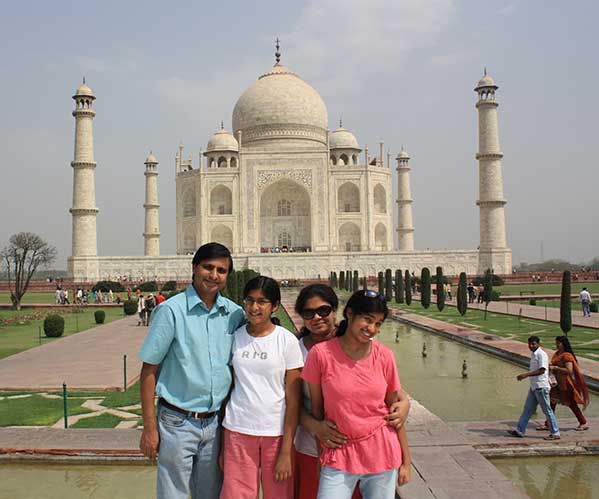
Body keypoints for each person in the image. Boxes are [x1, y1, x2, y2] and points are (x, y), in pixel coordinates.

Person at [138, 242, 244, 499]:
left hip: (216, 422)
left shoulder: (234, 313)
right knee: (173, 493)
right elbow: (149, 371)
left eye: (221, 270)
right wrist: (150, 428)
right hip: (177, 421)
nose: (214, 275)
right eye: (208, 267)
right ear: (195, 268)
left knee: (210, 493)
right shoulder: (171, 311)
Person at [293, 284, 410, 499]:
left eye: (378, 323)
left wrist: (406, 462)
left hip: (380, 451)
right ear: (350, 314)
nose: (372, 328)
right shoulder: (313, 353)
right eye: (309, 313)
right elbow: (311, 411)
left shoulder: (383, 355)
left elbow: (392, 408)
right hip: (334, 450)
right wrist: (321, 450)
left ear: (337, 311)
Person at [220, 276, 303, 499]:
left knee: (278, 494)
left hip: (274, 433)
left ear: (274, 306)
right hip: (238, 429)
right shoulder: (235, 338)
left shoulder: (286, 341)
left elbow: (293, 400)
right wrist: (221, 444)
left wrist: (286, 450)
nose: (254, 307)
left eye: (262, 301)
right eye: (249, 300)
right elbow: (227, 388)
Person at [508, 336, 560, 440]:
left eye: (533, 344)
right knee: (527, 409)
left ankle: (555, 433)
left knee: (547, 410)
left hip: (541, 387)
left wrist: (525, 375)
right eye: (530, 344)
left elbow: (542, 370)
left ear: (538, 344)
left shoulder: (541, 354)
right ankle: (520, 430)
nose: (531, 346)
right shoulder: (534, 354)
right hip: (534, 387)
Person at [537, 336, 590, 431]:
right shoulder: (557, 353)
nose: (557, 345)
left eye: (559, 343)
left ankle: (583, 422)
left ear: (564, 344)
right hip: (556, 383)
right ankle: (548, 423)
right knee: (552, 402)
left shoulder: (567, 356)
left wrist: (556, 368)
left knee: (571, 403)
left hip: (565, 383)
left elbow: (569, 370)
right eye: (556, 343)